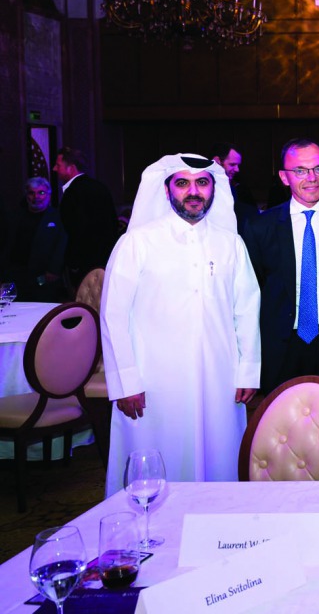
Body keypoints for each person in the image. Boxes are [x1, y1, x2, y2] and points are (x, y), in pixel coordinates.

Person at [100, 154, 261, 496]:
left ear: (213, 190)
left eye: (202, 183)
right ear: (167, 189)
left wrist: (247, 372)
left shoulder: (230, 243)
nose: (193, 192)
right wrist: (125, 381)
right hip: (153, 383)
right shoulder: (137, 242)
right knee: (158, 467)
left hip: (219, 378)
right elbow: (113, 314)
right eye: (183, 183)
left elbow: (246, 309)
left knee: (220, 464)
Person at [242, 139, 319, 398]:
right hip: (281, 347)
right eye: (300, 171)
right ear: (284, 177)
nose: (312, 178)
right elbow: (248, 295)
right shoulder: (260, 227)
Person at [53, 147, 119, 287]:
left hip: (82, 265)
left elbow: (74, 231)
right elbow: (113, 224)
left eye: (58, 165)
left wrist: (73, 263)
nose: (54, 169)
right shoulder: (100, 187)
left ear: (71, 168)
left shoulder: (72, 193)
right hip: (105, 260)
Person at [2, 177, 66, 302]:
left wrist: (53, 270)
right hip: (15, 276)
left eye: (41, 192)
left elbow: (61, 245)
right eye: (32, 193)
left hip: (42, 277)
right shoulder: (15, 217)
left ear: (49, 194)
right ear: (27, 195)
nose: (36, 197)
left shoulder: (58, 217)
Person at [211, 142, 259, 230]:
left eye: (238, 165)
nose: (237, 169)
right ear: (217, 161)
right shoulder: (204, 188)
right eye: (232, 164)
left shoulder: (234, 189)